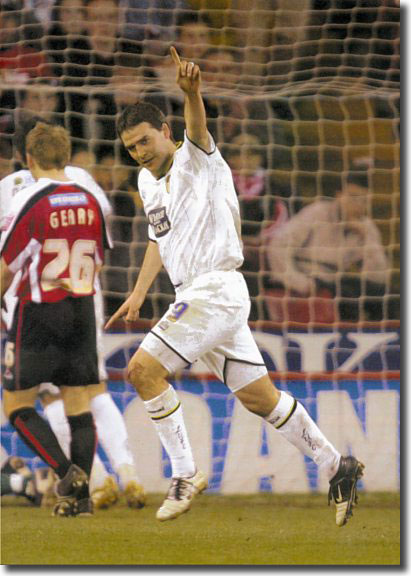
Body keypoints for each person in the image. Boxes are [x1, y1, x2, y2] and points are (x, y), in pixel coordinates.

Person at [105, 46, 364, 527]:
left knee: (142, 371)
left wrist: (193, 93)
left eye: (145, 141)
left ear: (165, 132)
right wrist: (139, 292)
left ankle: (184, 473)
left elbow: (197, 128)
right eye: (132, 148)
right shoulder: (146, 182)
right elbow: (158, 238)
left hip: (215, 289)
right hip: (197, 298)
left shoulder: (197, 159)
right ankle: (337, 465)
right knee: (259, 398)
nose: (140, 152)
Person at [0, 116, 146, 510]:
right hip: (83, 304)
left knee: (23, 402)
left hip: (34, 308)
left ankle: (72, 475)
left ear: (25, 156)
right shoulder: (89, 191)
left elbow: (7, 262)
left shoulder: (18, 194)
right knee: (83, 396)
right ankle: (97, 488)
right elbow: (100, 252)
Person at [263, 171, 390, 322]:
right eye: (353, 197)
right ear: (339, 195)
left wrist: (367, 239)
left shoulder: (366, 227)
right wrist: (297, 281)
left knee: (387, 295)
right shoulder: (317, 212)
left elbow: (378, 278)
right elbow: (278, 246)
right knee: (347, 295)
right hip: (305, 274)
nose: (357, 204)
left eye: (363, 200)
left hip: (335, 279)